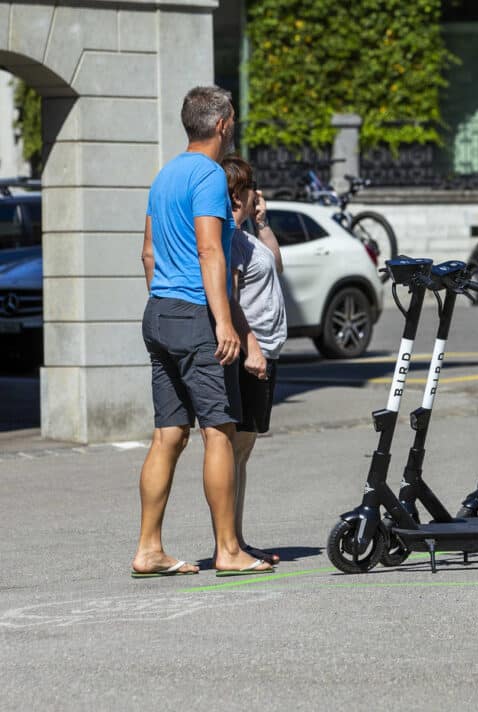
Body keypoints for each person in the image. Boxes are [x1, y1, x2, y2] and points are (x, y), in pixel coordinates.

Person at [131, 86, 273, 578]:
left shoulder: (164, 174)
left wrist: (164, 299)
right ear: (222, 125)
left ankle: (149, 549)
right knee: (220, 430)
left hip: (159, 311)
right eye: (231, 119)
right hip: (195, 315)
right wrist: (223, 321)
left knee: (168, 434)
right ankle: (229, 550)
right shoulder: (210, 175)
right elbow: (211, 251)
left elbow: (149, 252)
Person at [220, 154, 286, 566]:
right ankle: (231, 543)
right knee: (236, 447)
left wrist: (262, 222)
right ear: (238, 193)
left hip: (264, 350)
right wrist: (253, 348)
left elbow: (275, 264)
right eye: (249, 190)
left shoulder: (245, 235)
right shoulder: (228, 237)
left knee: (243, 451)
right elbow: (230, 296)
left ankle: (237, 539)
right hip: (250, 354)